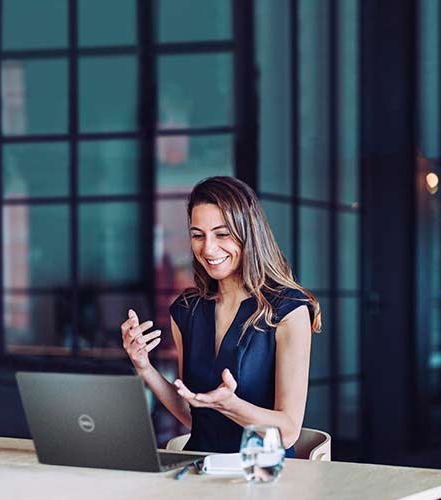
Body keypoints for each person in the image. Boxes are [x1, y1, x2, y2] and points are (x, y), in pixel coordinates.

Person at [121, 176, 321, 458]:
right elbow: (195, 415)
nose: (208, 248)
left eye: (222, 234)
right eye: (198, 235)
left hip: (262, 476)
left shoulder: (288, 311)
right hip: (199, 471)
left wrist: (231, 405)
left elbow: (288, 432)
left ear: (248, 233)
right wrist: (144, 368)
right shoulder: (187, 310)